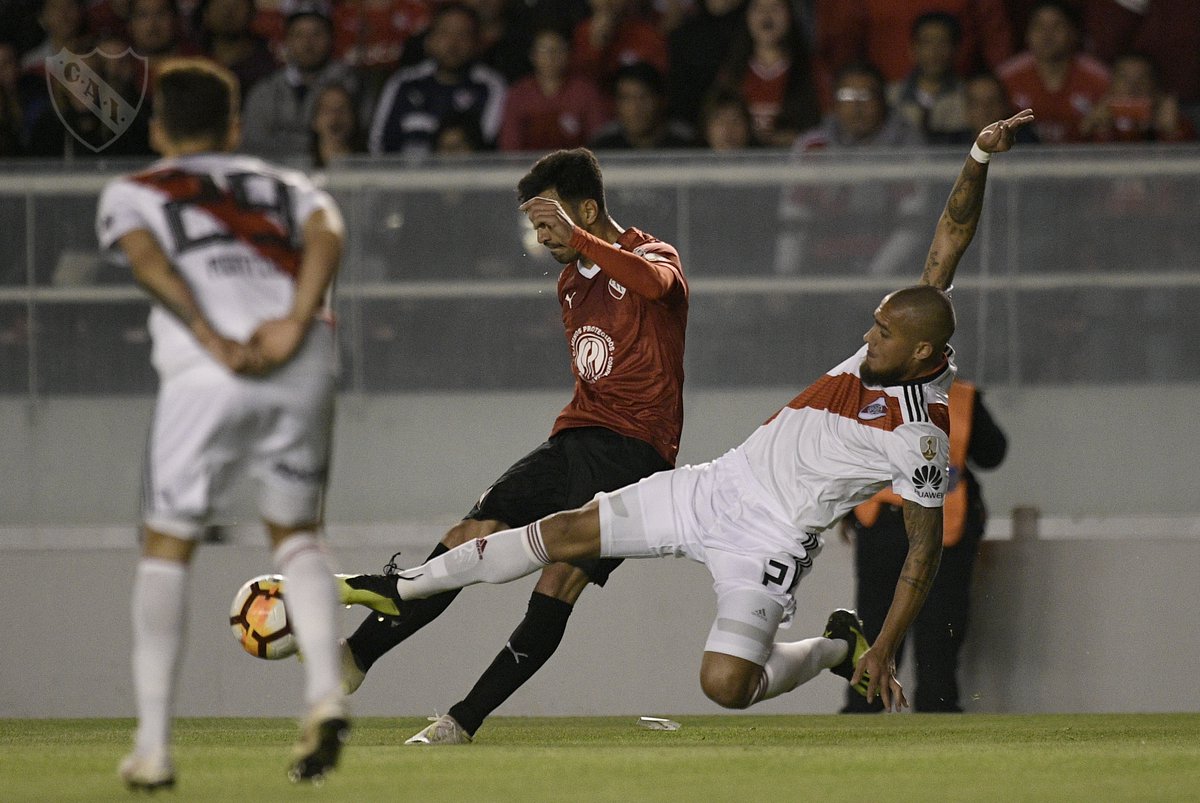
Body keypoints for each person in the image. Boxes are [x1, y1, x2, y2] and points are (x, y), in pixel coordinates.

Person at [339, 109, 1036, 714]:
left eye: (881, 335)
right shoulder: (904, 332)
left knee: (725, 684)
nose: (865, 338)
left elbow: (924, 547)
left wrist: (882, 648)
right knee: (556, 536)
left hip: (771, 539)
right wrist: (977, 157)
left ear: (920, 354)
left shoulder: (921, 435)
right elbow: (951, 234)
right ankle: (388, 592)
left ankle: (832, 646)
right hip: (714, 485)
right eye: (873, 325)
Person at [338, 146, 689, 744]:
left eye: (548, 221)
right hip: (574, 437)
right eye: (536, 226)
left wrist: (583, 240)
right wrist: (577, 247)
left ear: (585, 208)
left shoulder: (651, 254)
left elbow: (657, 288)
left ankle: (461, 722)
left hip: (636, 453)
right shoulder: (566, 284)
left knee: (557, 583)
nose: (542, 236)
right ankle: (354, 658)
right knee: (467, 537)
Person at [95, 58, 348, 787]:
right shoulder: (290, 187)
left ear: (160, 128)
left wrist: (210, 336)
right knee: (297, 533)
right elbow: (329, 232)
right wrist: (294, 321)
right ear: (236, 127)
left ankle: (152, 746)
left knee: (167, 543)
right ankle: (325, 693)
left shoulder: (134, 190)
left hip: (207, 372)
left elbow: (148, 262)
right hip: (299, 359)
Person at [843, 377, 1007, 713]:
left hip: (901, 527)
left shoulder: (869, 396)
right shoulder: (960, 397)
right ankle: (932, 715)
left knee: (882, 633)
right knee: (935, 642)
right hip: (936, 528)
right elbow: (992, 453)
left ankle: (864, 715)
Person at [368, 2, 506, 156]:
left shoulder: (489, 86)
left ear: (477, 43)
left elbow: (485, 145)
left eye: (463, 34)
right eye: (444, 33)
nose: (452, 44)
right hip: (402, 176)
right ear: (430, 40)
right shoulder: (403, 82)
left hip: (464, 176)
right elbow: (378, 144)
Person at [240, 1, 356, 160]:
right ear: (286, 41)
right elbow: (252, 145)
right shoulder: (265, 90)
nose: (308, 43)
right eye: (299, 34)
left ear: (331, 38)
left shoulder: (350, 85)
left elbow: (357, 140)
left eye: (317, 34)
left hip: (331, 176)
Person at [997, 0, 1108, 144]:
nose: (1047, 35)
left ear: (1073, 33)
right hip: (1019, 162)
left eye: (1057, 26)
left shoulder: (1099, 79)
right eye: (1039, 26)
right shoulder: (1006, 78)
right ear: (1027, 34)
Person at [714, 0, 820, 148]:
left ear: (791, 15)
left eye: (775, 8)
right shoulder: (731, 73)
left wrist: (796, 139)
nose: (767, 16)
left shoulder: (813, 70)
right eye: (758, 8)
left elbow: (826, 128)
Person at [497, 25, 611, 153]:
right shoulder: (518, 94)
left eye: (558, 50)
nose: (551, 57)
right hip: (529, 170)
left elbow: (600, 141)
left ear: (568, 54)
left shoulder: (585, 92)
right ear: (533, 56)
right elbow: (510, 147)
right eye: (544, 50)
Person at [1078, 52, 1195, 144]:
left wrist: (1171, 133)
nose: (1133, 87)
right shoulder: (1092, 122)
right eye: (1124, 78)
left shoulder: (1178, 124)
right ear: (1111, 88)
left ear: (1156, 89)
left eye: (1142, 79)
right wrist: (1102, 132)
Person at [887, 12, 968, 143]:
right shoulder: (890, 97)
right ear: (912, 48)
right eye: (927, 43)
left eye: (942, 42)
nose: (934, 51)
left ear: (955, 48)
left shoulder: (969, 96)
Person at [588, 61, 695, 150]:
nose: (636, 107)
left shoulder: (686, 143)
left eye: (644, 97)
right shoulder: (602, 145)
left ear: (661, 100)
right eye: (626, 98)